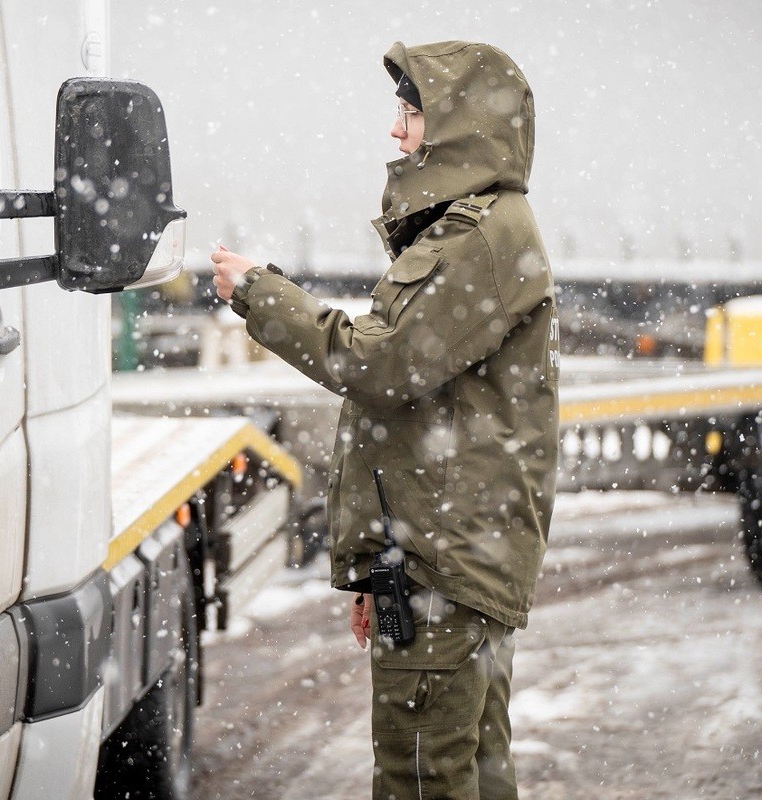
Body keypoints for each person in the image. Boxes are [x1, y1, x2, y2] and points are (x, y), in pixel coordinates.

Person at [211, 40, 559, 799]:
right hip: (444, 561)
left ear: (459, 126)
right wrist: (378, 561)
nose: (397, 133)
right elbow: (419, 413)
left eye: (411, 113)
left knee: (422, 779)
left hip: (444, 568)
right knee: (470, 772)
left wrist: (260, 293)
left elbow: (382, 367)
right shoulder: (476, 229)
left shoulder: (479, 238)